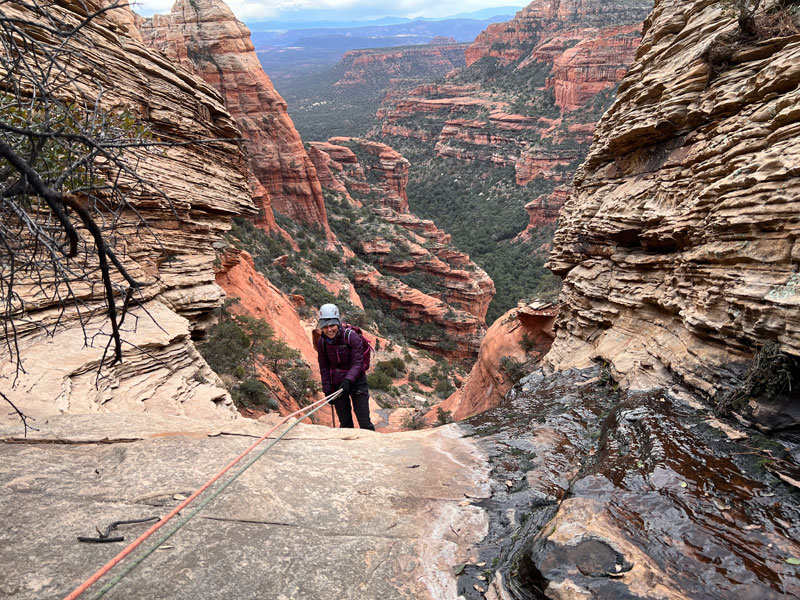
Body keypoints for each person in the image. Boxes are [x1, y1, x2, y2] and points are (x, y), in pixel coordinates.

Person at [315, 303, 375, 431]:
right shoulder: (322, 342)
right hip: (337, 384)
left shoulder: (350, 336)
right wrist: (327, 390)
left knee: (364, 421)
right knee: (345, 424)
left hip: (357, 381)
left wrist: (349, 380)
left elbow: (357, 363)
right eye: (325, 327)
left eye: (332, 325)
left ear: (338, 323)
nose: (329, 329)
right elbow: (324, 367)